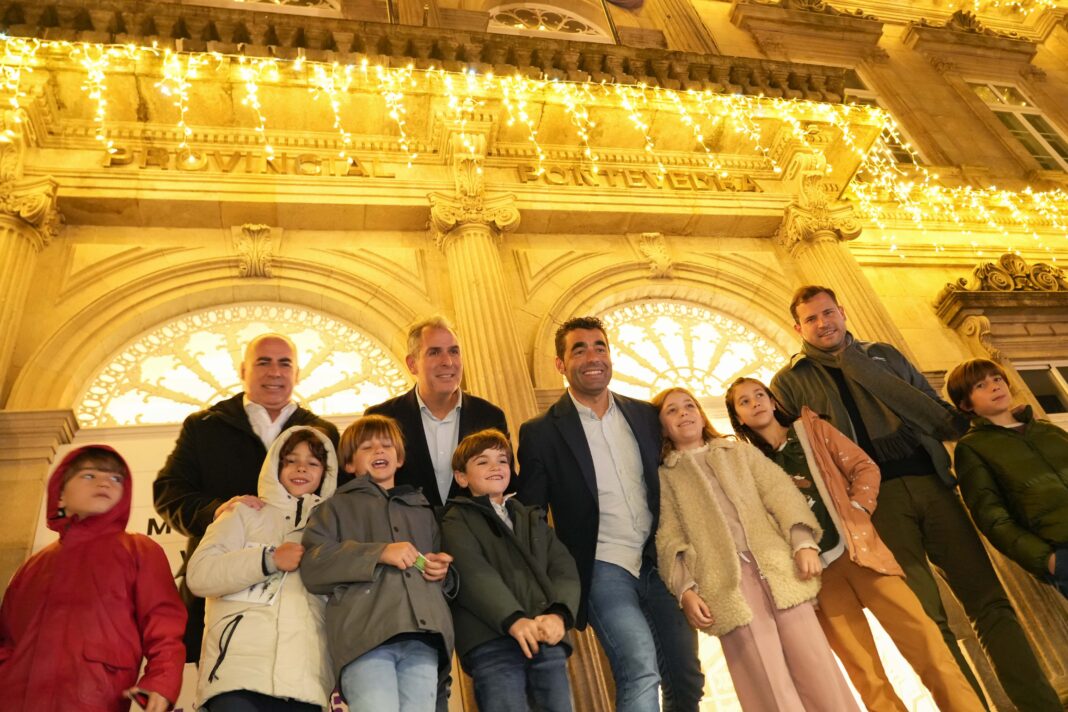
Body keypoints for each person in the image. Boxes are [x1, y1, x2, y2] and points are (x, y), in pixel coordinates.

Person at [770, 284, 1059, 710]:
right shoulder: (791, 381)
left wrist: (860, 364)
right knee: (928, 621)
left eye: (828, 312)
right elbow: (798, 455)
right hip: (873, 507)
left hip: (931, 483)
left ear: (842, 312)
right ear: (798, 328)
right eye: (811, 318)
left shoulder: (883, 355)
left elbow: (940, 415)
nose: (822, 323)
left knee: (990, 602)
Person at [726, 377, 985, 712]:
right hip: (818, 578)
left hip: (862, 554)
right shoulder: (750, 465)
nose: (755, 403)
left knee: (929, 649)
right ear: (738, 418)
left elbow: (864, 467)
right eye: (744, 402)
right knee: (867, 677)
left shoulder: (813, 430)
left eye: (759, 395)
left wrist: (858, 508)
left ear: (774, 401)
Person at [516, 316, 703, 712]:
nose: (592, 357)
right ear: (561, 364)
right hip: (602, 567)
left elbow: (681, 471)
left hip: (660, 562)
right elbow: (531, 515)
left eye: (599, 347)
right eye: (579, 349)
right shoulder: (540, 432)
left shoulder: (645, 416)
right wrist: (548, 585)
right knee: (639, 668)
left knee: (686, 679)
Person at [653, 386, 858, 712]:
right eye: (672, 410)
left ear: (701, 416)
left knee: (819, 670)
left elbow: (781, 493)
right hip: (725, 587)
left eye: (689, 405)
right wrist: (685, 590)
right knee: (766, 684)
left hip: (780, 571)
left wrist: (803, 542)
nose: (684, 413)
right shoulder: (665, 478)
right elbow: (668, 539)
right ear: (662, 427)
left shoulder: (740, 453)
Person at [154, 333, 339, 662]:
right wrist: (214, 512)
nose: (275, 371)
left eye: (285, 363)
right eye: (263, 362)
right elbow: (169, 491)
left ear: (297, 374)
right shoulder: (204, 426)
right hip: (222, 593)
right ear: (243, 371)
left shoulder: (324, 433)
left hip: (301, 594)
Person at [0, 445, 186, 712]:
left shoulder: (139, 550)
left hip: (93, 698)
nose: (104, 482)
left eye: (116, 478)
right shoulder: (34, 565)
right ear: (60, 495)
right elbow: (7, 638)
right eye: (89, 475)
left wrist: (162, 681)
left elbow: (164, 623)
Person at [301, 414, 456, 712]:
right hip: (365, 638)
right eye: (367, 447)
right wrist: (380, 553)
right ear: (349, 464)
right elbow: (313, 567)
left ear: (400, 458)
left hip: (424, 637)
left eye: (386, 445)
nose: (379, 451)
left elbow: (438, 567)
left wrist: (441, 570)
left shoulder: (422, 509)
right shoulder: (333, 507)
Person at [186, 426, 338, 711]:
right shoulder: (242, 512)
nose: (301, 468)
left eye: (313, 462)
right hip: (235, 675)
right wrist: (268, 559)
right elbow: (200, 575)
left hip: (306, 683)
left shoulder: (334, 526)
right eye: (291, 460)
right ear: (275, 466)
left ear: (326, 473)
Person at [441, 429, 581, 712]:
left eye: (502, 460)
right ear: (461, 477)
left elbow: (564, 569)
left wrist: (559, 614)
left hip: (544, 635)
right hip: (491, 641)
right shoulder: (454, 520)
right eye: (483, 461)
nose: (495, 466)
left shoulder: (531, 517)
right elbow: (474, 575)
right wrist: (513, 619)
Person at [948, 358, 1068, 599]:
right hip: (1062, 548)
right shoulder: (972, 448)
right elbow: (992, 517)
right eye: (980, 385)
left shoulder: (1049, 431)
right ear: (966, 404)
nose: (995, 386)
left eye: (997, 379)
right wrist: (1047, 559)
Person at [366, 316, 509, 508]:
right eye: (434, 352)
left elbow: (506, 488)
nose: (447, 361)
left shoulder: (490, 417)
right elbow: (367, 492)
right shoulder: (382, 418)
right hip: (406, 527)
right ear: (412, 364)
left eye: (454, 351)